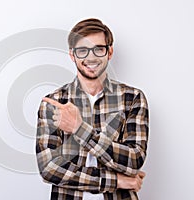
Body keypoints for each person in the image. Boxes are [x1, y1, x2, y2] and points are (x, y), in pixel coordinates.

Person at [35, 18, 149, 200]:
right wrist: (117, 181)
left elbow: (134, 161)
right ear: (72, 55)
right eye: (82, 51)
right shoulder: (54, 102)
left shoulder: (132, 98)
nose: (91, 57)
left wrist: (79, 129)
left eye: (98, 48)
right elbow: (49, 169)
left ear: (109, 52)